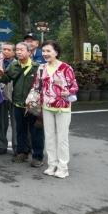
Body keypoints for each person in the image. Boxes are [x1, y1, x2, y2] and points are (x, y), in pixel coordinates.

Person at [37, 40, 78, 178]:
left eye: (48, 51)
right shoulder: (41, 68)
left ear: (56, 52)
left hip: (63, 107)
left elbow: (74, 86)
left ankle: (63, 167)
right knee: (49, 137)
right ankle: (52, 164)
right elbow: (37, 87)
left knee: (62, 138)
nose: (45, 54)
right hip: (47, 106)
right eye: (43, 51)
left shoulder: (66, 68)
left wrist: (68, 92)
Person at [0, 42, 45, 167]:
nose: (19, 52)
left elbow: (42, 86)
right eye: (17, 50)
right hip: (18, 103)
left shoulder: (37, 67)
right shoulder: (14, 65)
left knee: (36, 131)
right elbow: (5, 80)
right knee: (20, 130)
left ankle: (37, 156)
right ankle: (22, 152)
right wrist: (0, 73)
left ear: (29, 52)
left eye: (22, 50)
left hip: (33, 106)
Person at [0, 43, 17, 155]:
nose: (5, 51)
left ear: (14, 52)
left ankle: (16, 147)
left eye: (9, 49)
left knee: (15, 123)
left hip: (13, 96)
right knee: (1, 122)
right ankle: (1, 146)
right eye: (4, 49)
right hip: (0, 96)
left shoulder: (17, 64)